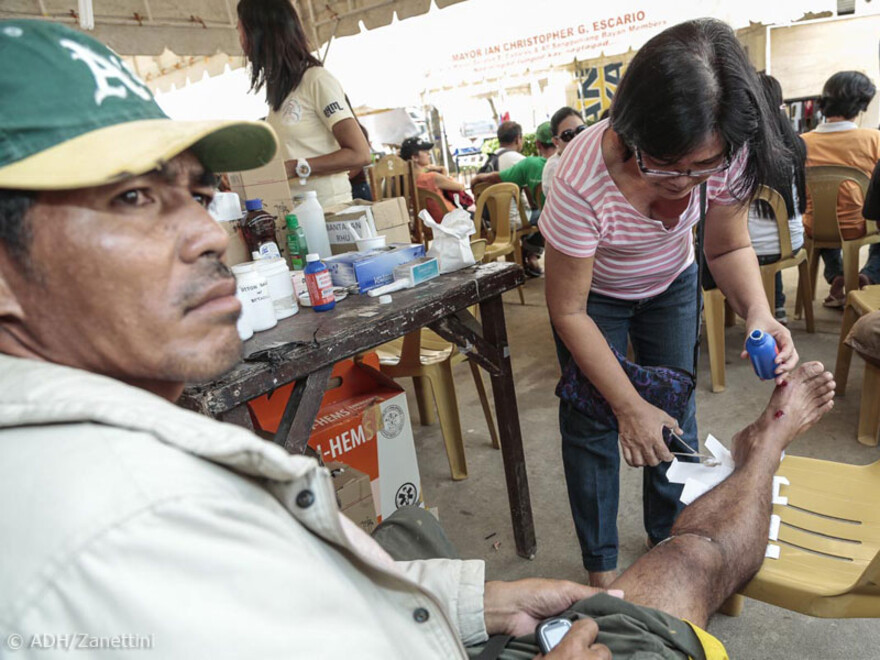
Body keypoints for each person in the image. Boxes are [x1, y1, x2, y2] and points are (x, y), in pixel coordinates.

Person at [0, 21, 838, 660]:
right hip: (598, 317)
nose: (211, 236)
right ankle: (761, 447)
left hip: (445, 619)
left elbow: (324, 598)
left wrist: (472, 603)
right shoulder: (105, 531)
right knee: (671, 545)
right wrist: (622, 401)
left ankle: (730, 472)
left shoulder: (159, 464)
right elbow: (572, 313)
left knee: (665, 510)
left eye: (192, 192)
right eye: (133, 201)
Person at [540, 18, 799, 589]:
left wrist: (758, 311)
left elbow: (727, 243)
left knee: (674, 415)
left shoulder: (726, 147)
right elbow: (568, 311)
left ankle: (670, 539)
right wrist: (626, 406)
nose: (684, 184)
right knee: (594, 421)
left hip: (671, 284)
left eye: (700, 169)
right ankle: (602, 571)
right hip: (594, 301)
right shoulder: (578, 178)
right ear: (634, 131)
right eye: (663, 165)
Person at [237, 0, 371, 207]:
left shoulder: (316, 80)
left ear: (260, 32)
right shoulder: (281, 92)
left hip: (330, 213)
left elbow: (360, 153)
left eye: (241, 30)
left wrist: (296, 167)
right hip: (297, 214)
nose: (241, 40)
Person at [801, 70, 880, 307]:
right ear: (861, 106)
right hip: (859, 224)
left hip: (815, 227)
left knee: (824, 216)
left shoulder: (802, 142)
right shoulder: (874, 139)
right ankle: (869, 275)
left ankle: (836, 276)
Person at [746, 74, 808, 325]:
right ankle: (777, 304)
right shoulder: (796, 144)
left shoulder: (741, 148)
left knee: (752, 234)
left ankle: (720, 306)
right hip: (789, 242)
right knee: (768, 230)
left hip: (747, 250)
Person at [470, 122, 557, 276]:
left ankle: (527, 254)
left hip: (492, 221)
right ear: (518, 139)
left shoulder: (490, 159)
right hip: (517, 219)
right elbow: (531, 200)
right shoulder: (521, 161)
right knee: (541, 214)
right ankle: (531, 255)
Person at [401, 136, 467, 221]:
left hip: (429, 223)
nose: (429, 154)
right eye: (425, 151)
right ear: (414, 157)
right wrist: (443, 170)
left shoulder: (406, 181)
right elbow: (461, 187)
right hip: (450, 220)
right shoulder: (431, 177)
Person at [544, 107, 586, 201]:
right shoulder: (555, 168)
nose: (577, 138)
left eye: (581, 130)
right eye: (567, 135)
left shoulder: (585, 159)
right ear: (556, 142)